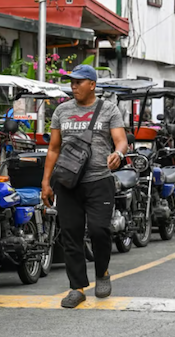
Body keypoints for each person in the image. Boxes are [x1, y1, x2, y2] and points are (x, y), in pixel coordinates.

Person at [41, 65, 129, 309]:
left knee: (100, 230)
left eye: (79, 82)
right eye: (72, 82)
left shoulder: (109, 109)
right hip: (67, 182)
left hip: (99, 180)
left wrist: (118, 155)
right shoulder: (62, 110)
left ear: (92, 84)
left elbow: (121, 141)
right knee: (71, 234)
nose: (74, 86)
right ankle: (76, 287)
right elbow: (54, 148)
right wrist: (46, 182)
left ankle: (102, 272)